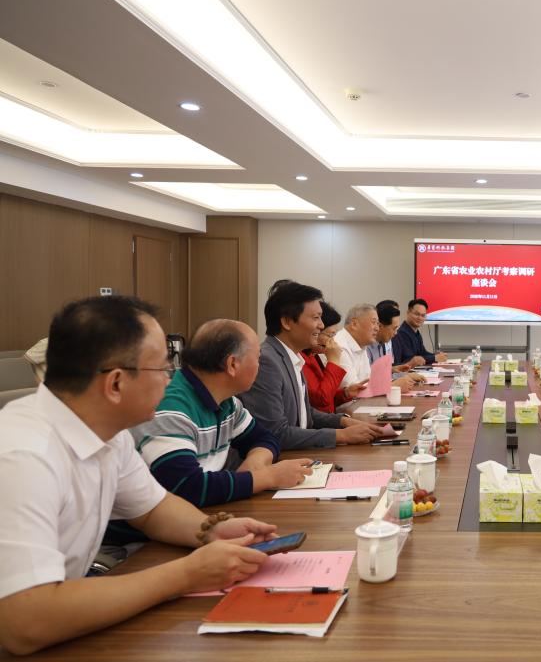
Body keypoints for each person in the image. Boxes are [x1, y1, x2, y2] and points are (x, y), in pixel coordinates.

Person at [0, 296, 276, 655]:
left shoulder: (109, 433)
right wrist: (187, 574)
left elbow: (154, 510)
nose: (170, 379)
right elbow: (27, 622)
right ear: (116, 383)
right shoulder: (23, 456)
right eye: (162, 368)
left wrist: (212, 530)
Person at [131, 319, 315, 506]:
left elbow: (265, 438)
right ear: (232, 364)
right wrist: (268, 477)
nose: (259, 366)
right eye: (258, 358)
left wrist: (257, 460)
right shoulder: (171, 407)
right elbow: (187, 487)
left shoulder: (227, 402)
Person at [239, 281, 383, 449]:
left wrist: (344, 421)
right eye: (316, 318)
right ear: (287, 322)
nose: (321, 325)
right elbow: (276, 433)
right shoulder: (267, 361)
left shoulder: (292, 355)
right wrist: (341, 435)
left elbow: (305, 413)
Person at [301, 301, 366, 411]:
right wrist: (333, 361)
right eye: (330, 335)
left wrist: (346, 393)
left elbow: (329, 397)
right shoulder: (302, 359)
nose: (333, 342)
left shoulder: (313, 355)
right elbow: (322, 401)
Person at [368, 302, 425, 388]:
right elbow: (369, 381)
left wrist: (403, 374)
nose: (396, 333)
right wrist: (398, 381)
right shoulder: (367, 347)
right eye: (394, 329)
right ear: (380, 326)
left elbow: (382, 376)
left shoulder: (381, 344)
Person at [392, 298, 447, 366]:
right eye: (417, 314)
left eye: (423, 315)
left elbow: (423, 353)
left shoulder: (416, 332)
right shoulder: (402, 333)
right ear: (408, 312)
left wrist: (437, 356)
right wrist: (434, 358)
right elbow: (411, 359)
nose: (420, 318)